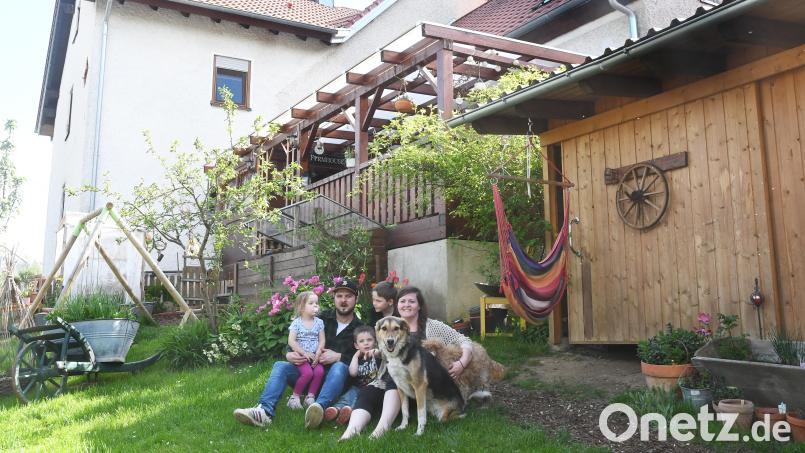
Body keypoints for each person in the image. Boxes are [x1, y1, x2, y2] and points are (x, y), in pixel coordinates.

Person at [340, 286, 474, 440]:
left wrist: (462, 363)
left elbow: (464, 340)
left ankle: (381, 429)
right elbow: (386, 348)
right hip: (391, 375)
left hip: (419, 384)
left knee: (394, 382)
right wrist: (377, 351)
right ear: (397, 304)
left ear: (419, 305)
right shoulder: (390, 323)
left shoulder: (433, 325)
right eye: (402, 301)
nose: (406, 304)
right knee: (368, 392)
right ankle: (349, 432)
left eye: (412, 301)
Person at [233, 279, 363, 429]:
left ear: (356, 299)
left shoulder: (360, 329)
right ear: (334, 298)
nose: (343, 300)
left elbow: (365, 363)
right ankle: (264, 411)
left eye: (348, 296)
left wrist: (339, 357)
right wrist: (290, 354)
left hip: (335, 382)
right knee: (280, 366)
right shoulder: (321, 319)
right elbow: (297, 338)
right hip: (309, 375)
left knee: (339, 367)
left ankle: (317, 409)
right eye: (339, 296)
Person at [323, 325, 382, 425]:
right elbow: (353, 373)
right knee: (348, 397)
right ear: (356, 345)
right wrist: (355, 356)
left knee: (358, 401)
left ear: (375, 342)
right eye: (362, 341)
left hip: (371, 390)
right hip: (356, 387)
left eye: (369, 340)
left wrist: (376, 353)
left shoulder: (378, 356)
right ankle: (336, 410)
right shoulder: (357, 359)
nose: (366, 343)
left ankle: (349, 412)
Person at [286, 291, 325, 409]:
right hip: (301, 356)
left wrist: (318, 353)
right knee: (307, 373)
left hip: (314, 356)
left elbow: (322, 340)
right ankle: (294, 397)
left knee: (319, 372)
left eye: (316, 303)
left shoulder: (319, 322)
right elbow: (291, 341)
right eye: (311, 303)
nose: (315, 306)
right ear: (301, 307)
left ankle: (310, 397)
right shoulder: (296, 323)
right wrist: (303, 353)